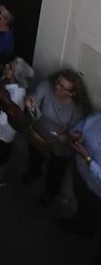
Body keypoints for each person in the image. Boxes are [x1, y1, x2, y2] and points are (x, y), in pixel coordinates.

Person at [23, 69, 91, 205]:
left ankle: (49, 193)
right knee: (34, 157)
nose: (56, 86)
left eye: (61, 86)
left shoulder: (77, 109)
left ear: (72, 93)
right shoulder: (46, 86)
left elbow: (76, 134)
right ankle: (34, 173)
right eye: (57, 81)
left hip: (60, 145)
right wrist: (30, 103)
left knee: (55, 172)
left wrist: (67, 138)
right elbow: (34, 99)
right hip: (39, 133)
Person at [0, 56, 32, 188]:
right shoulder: (5, 81)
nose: (6, 66)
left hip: (4, 133)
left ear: (16, 75)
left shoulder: (18, 95)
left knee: (1, 157)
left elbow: (8, 118)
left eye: (10, 67)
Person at [64, 112, 101, 265]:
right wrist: (76, 135)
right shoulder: (96, 117)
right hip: (81, 175)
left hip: (99, 192)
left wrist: (87, 159)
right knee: (82, 204)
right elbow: (79, 129)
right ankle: (81, 227)